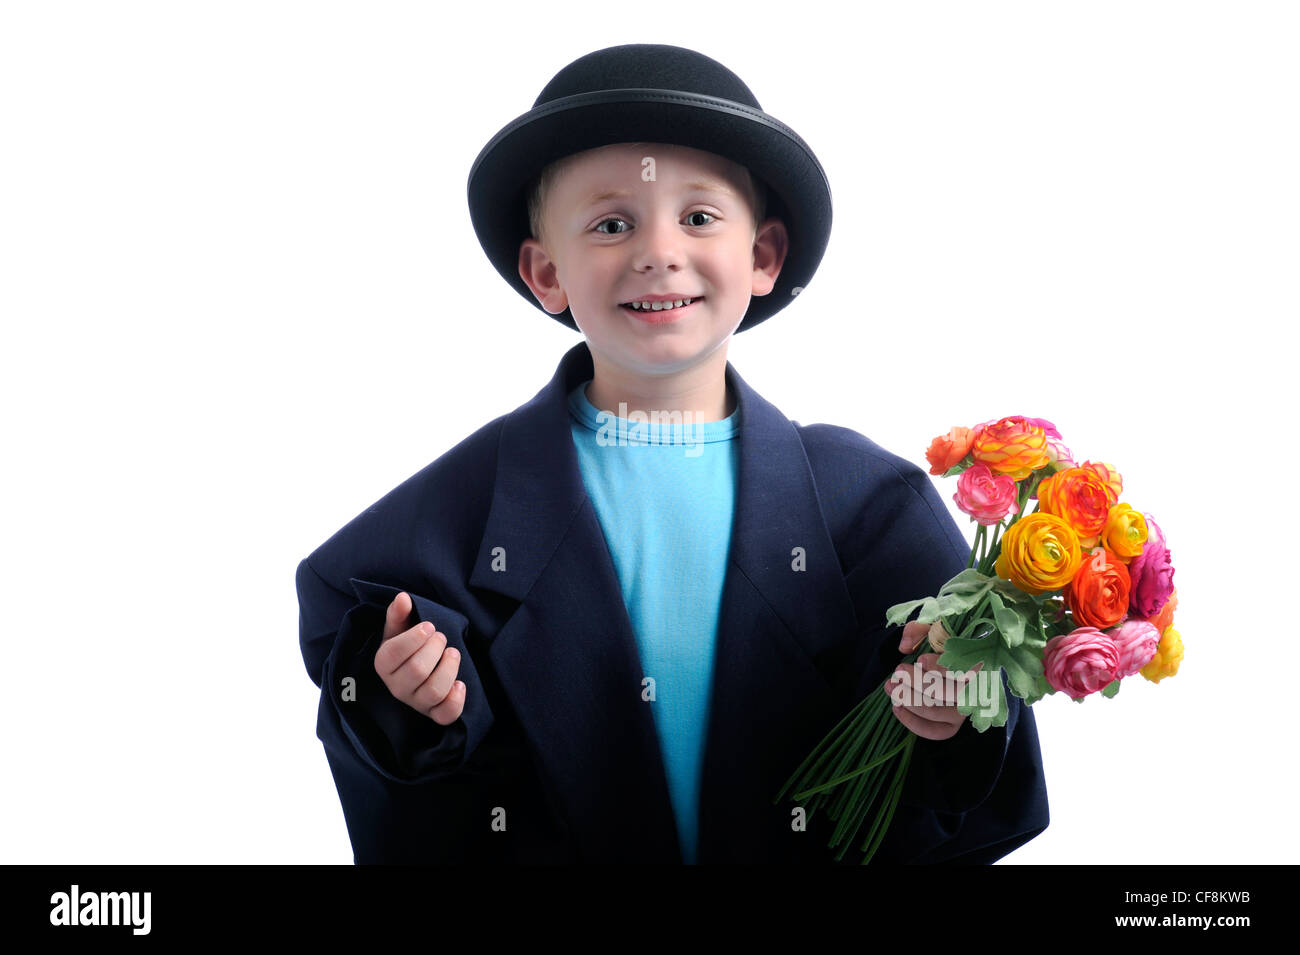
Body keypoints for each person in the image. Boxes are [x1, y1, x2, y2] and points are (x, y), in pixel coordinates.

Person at [295, 43, 1050, 864]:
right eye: (612, 223)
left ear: (762, 257)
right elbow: (360, 650)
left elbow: (975, 721)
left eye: (698, 217)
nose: (657, 251)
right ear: (547, 272)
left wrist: (952, 702)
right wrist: (407, 694)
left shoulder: (863, 505)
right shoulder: (464, 509)